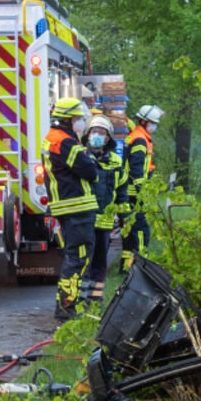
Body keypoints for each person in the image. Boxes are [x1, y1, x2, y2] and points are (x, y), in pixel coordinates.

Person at [43, 97, 97, 321]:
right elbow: (89, 170)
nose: (81, 122)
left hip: (67, 208)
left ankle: (69, 303)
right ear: (68, 119)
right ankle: (68, 307)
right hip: (76, 207)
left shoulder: (53, 138)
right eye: (78, 118)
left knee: (73, 257)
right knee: (78, 258)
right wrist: (89, 158)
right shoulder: (65, 142)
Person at [82, 115, 127, 304]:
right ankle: (81, 301)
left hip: (105, 223)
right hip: (84, 221)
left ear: (108, 138)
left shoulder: (116, 162)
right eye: (94, 132)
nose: (97, 136)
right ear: (88, 134)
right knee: (84, 263)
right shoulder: (82, 158)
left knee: (100, 264)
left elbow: (122, 191)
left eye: (101, 133)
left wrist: (125, 217)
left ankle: (95, 301)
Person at [121, 103, 163, 269]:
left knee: (130, 228)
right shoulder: (139, 138)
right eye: (153, 123)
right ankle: (140, 265)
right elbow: (136, 168)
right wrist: (141, 191)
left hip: (130, 191)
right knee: (140, 229)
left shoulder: (137, 135)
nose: (154, 126)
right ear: (144, 122)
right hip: (134, 192)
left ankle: (126, 266)